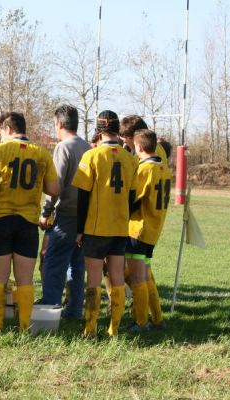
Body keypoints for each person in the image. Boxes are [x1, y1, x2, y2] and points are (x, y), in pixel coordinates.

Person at [0, 112, 59, 332]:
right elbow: (54, 189)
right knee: (25, 279)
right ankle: (24, 326)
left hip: (1, 219)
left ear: (8, 129)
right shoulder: (41, 153)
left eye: (0, 132)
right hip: (28, 221)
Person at [72, 110, 138, 337]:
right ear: (118, 130)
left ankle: (90, 328)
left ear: (98, 132)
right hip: (120, 227)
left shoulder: (91, 156)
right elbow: (132, 196)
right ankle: (114, 329)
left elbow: (82, 197)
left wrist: (79, 229)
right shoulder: (130, 158)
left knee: (93, 279)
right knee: (118, 278)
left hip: (96, 227)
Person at [39, 105, 91, 320]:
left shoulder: (63, 148)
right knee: (77, 265)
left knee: (53, 262)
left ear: (59, 123)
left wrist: (46, 211)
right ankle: (74, 310)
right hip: (84, 216)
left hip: (66, 215)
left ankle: (50, 308)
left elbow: (55, 185)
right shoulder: (87, 147)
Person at [127, 129, 172, 332]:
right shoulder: (164, 168)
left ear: (139, 147)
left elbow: (133, 199)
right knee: (145, 276)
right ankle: (158, 319)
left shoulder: (145, 169)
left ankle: (141, 322)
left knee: (137, 278)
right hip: (154, 230)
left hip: (139, 229)